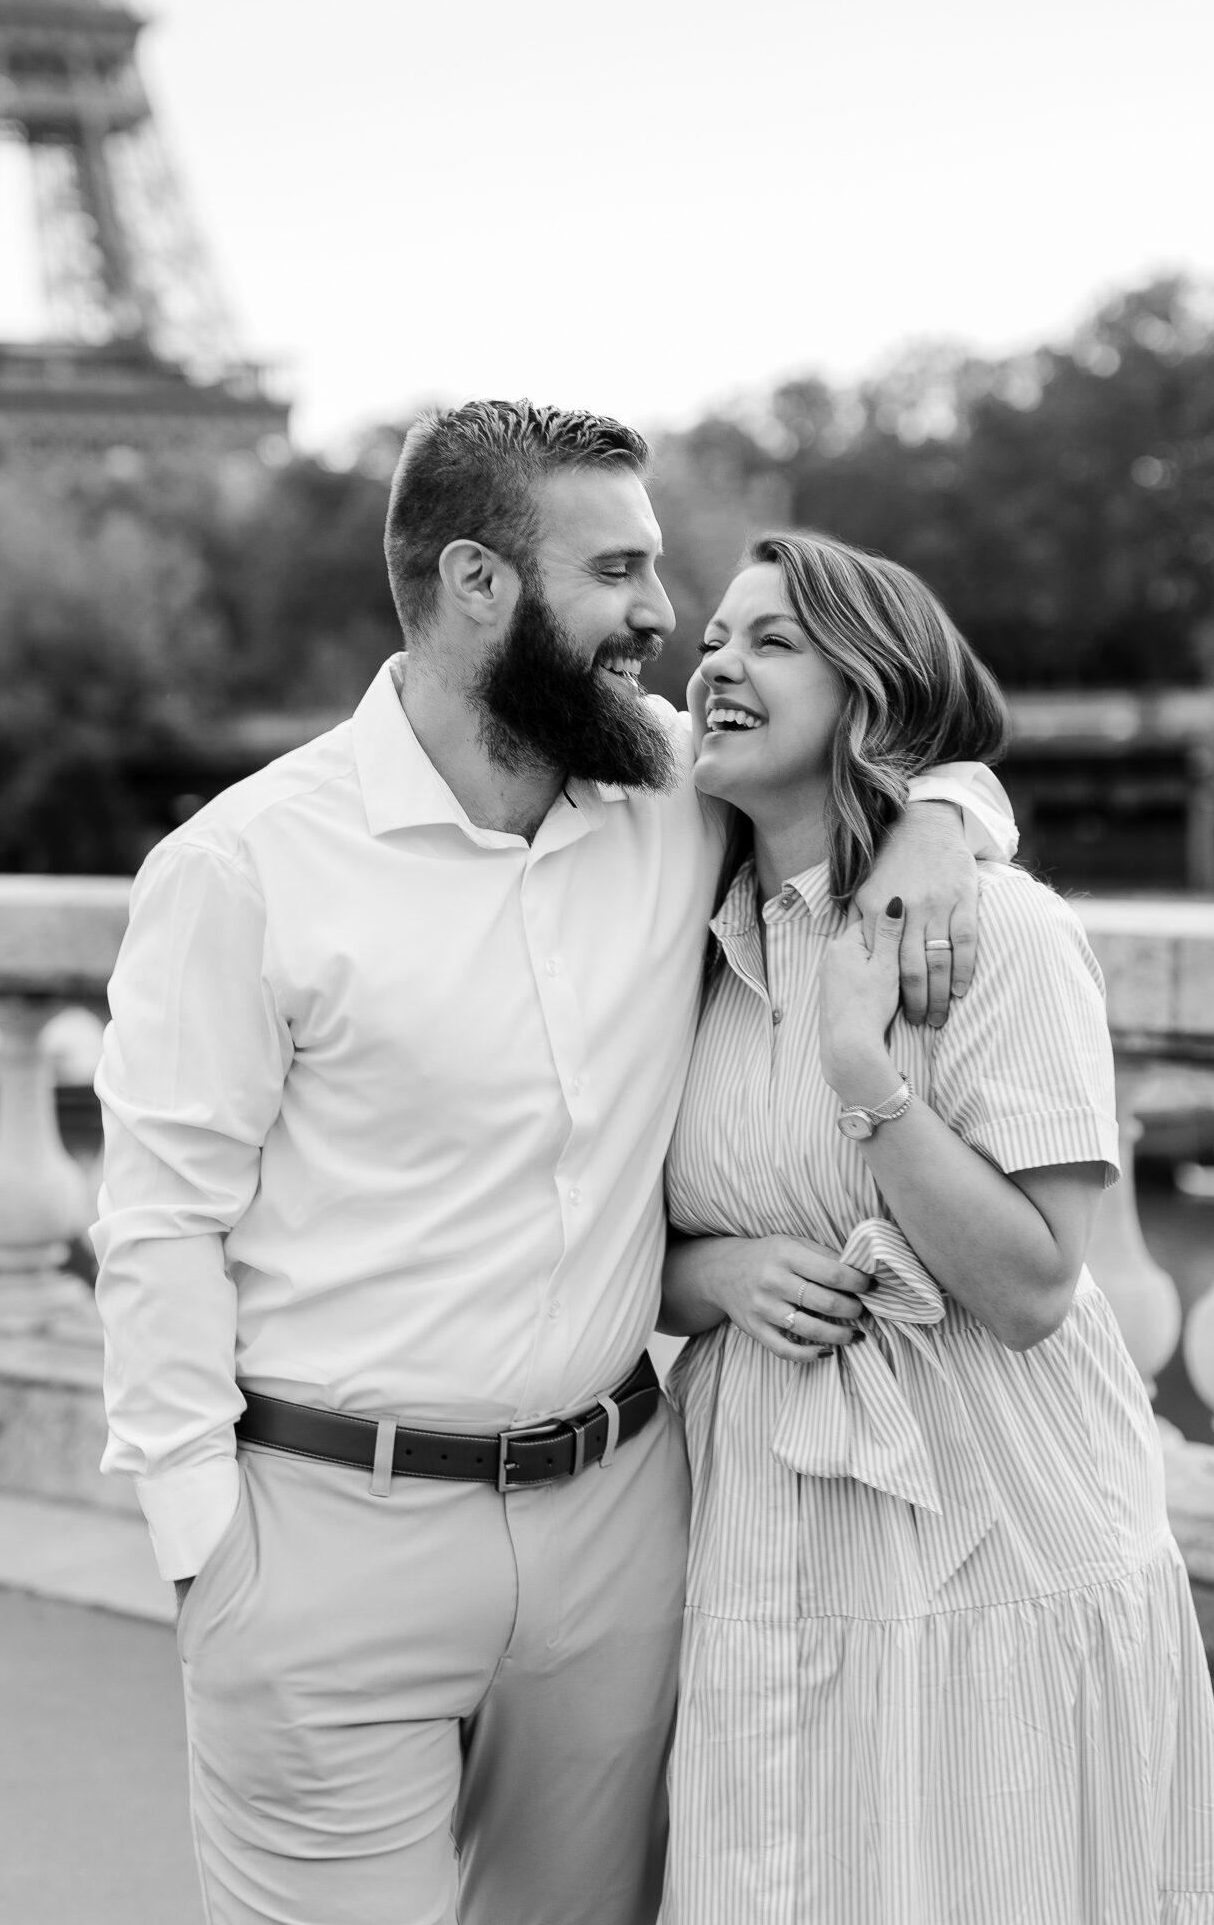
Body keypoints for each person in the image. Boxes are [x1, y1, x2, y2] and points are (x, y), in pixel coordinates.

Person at [91, 401, 1014, 1925]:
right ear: (477, 583)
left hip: (619, 1537)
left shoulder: (667, 785)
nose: (665, 618)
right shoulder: (243, 867)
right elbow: (159, 1226)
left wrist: (936, 828)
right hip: (328, 1536)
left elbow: (897, 759)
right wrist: (210, 1556)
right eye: (621, 572)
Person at [660, 531, 1214, 1925]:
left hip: (991, 1518)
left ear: (868, 694)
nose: (714, 667)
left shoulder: (996, 935)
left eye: (769, 641)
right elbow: (640, 1234)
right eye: (710, 641)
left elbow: (1040, 1282)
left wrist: (870, 1085)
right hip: (754, 1518)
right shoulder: (683, 939)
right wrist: (713, 1270)